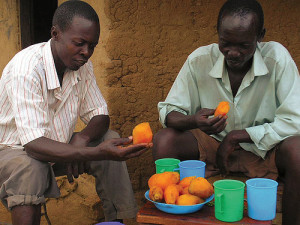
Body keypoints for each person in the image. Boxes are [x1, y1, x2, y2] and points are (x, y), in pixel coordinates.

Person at [0, 1, 151, 224]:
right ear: (55, 33)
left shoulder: (80, 65)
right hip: (14, 150)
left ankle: (122, 220)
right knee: (30, 168)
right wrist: (89, 152)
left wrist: (82, 139)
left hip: (59, 145)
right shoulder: (26, 69)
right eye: (80, 43)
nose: (87, 53)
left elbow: (100, 115)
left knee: (109, 138)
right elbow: (33, 145)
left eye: (92, 46)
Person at [153, 0, 300, 224]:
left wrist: (237, 136)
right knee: (164, 141)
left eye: (243, 45)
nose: (233, 53)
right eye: (226, 43)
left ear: (260, 36)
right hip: (212, 149)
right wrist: (194, 120)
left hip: (265, 151)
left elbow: (295, 119)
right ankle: (175, 215)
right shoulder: (199, 60)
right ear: (218, 34)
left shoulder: (277, 59)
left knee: (298, 150)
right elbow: (169, 112)